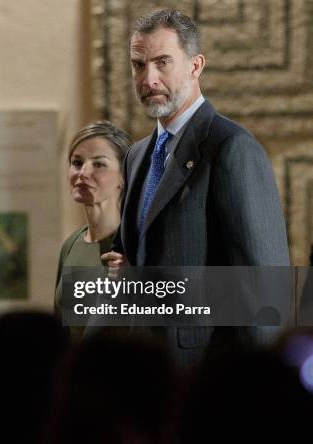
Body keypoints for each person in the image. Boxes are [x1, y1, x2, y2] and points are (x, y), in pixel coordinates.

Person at [102, 9, 290, 365]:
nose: (149, 79)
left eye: (162, 63)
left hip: (207, 375)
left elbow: (262, 283)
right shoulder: (137, 155)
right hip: (144, 368)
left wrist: (263, 387)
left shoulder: (231, 147)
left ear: (195, 65)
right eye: (138, 65)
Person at [54, 121, 132, 327]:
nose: (83, 173)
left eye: (99, 164)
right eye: (77, 163)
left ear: (123, 177)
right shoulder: (71, 245)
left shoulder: (136, 245)